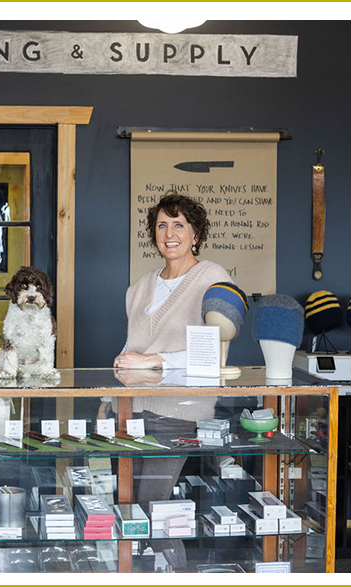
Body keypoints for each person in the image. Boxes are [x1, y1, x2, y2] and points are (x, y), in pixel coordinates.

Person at [106, 191, 233, 569]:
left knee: (154, 506)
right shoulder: (141, 285)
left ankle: (179, 572)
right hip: (129, 412)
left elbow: (214, 353)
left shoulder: (212, 277)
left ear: (196, 233)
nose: (170, 233)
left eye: (179, 224)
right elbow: (133, 346)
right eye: (162, 225)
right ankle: (136, 572)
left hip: (178, 411)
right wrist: (119, 377)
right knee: (128, 505)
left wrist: (152, 361)